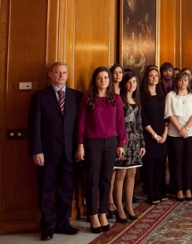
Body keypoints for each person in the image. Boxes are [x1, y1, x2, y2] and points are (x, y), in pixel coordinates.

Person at [28, 62, 82, 241]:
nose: (61, 75)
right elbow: (34, 127)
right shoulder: (40, 97)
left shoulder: (76, 96)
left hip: (70, 152)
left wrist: (80, 147)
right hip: (47, 153)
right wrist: (37, 150)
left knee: (67, 189)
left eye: (64, 72)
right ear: (50, 74)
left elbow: (80, 126)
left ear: (68, 75)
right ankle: (48, 226)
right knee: (46, 190)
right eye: (57, 72)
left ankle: (63, 223)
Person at [76, 67, 127, 234]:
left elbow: (120, 123)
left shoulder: (116, 99)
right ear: (95, 80)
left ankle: (103, 212)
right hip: (92, 143)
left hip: (111, 143)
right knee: (92, 179)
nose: (103, 81)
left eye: (106, 78)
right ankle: (92, 214)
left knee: (106, 179)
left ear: (109, 80)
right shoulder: (87, 98)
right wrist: (80, 144)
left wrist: (121, 144)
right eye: (99, 78)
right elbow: (81, 123)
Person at [164, 71, 192, 202]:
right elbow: (170, 114)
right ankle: (178, 189)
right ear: (177, 81)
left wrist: (186, 128)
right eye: (180, 80)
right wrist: (180, 129)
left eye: (185, 80)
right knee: (177, 161)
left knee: (189, 160)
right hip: (174, 133)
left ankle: (188, 188)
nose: (183, 83)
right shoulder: (171, 96)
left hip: (190, 132)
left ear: (189, 81)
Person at [113, 71, 146, 223]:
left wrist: (142, 144)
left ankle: (128, 206)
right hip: (123, 142)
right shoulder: (118, 100)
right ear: (124, 83)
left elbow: (139, 125)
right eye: (129, 82)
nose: (132, 84)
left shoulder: (136, 100)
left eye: (134, 81)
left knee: (132, 174)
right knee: (121, 174)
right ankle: (118, 206)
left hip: (135, 142)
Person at [139, 65, 168, 205]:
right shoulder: (143, 95)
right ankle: (151, 193)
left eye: (156, 76)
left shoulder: (162, 93)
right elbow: (143, 118)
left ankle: (159, 191)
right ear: (147, 78)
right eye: (151, 76)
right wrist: (154, 135)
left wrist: (164, 133)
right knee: (149, 165)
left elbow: (166, 115)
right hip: (149, 134)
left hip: (162, 134)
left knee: (160, 165)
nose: (154, 78)